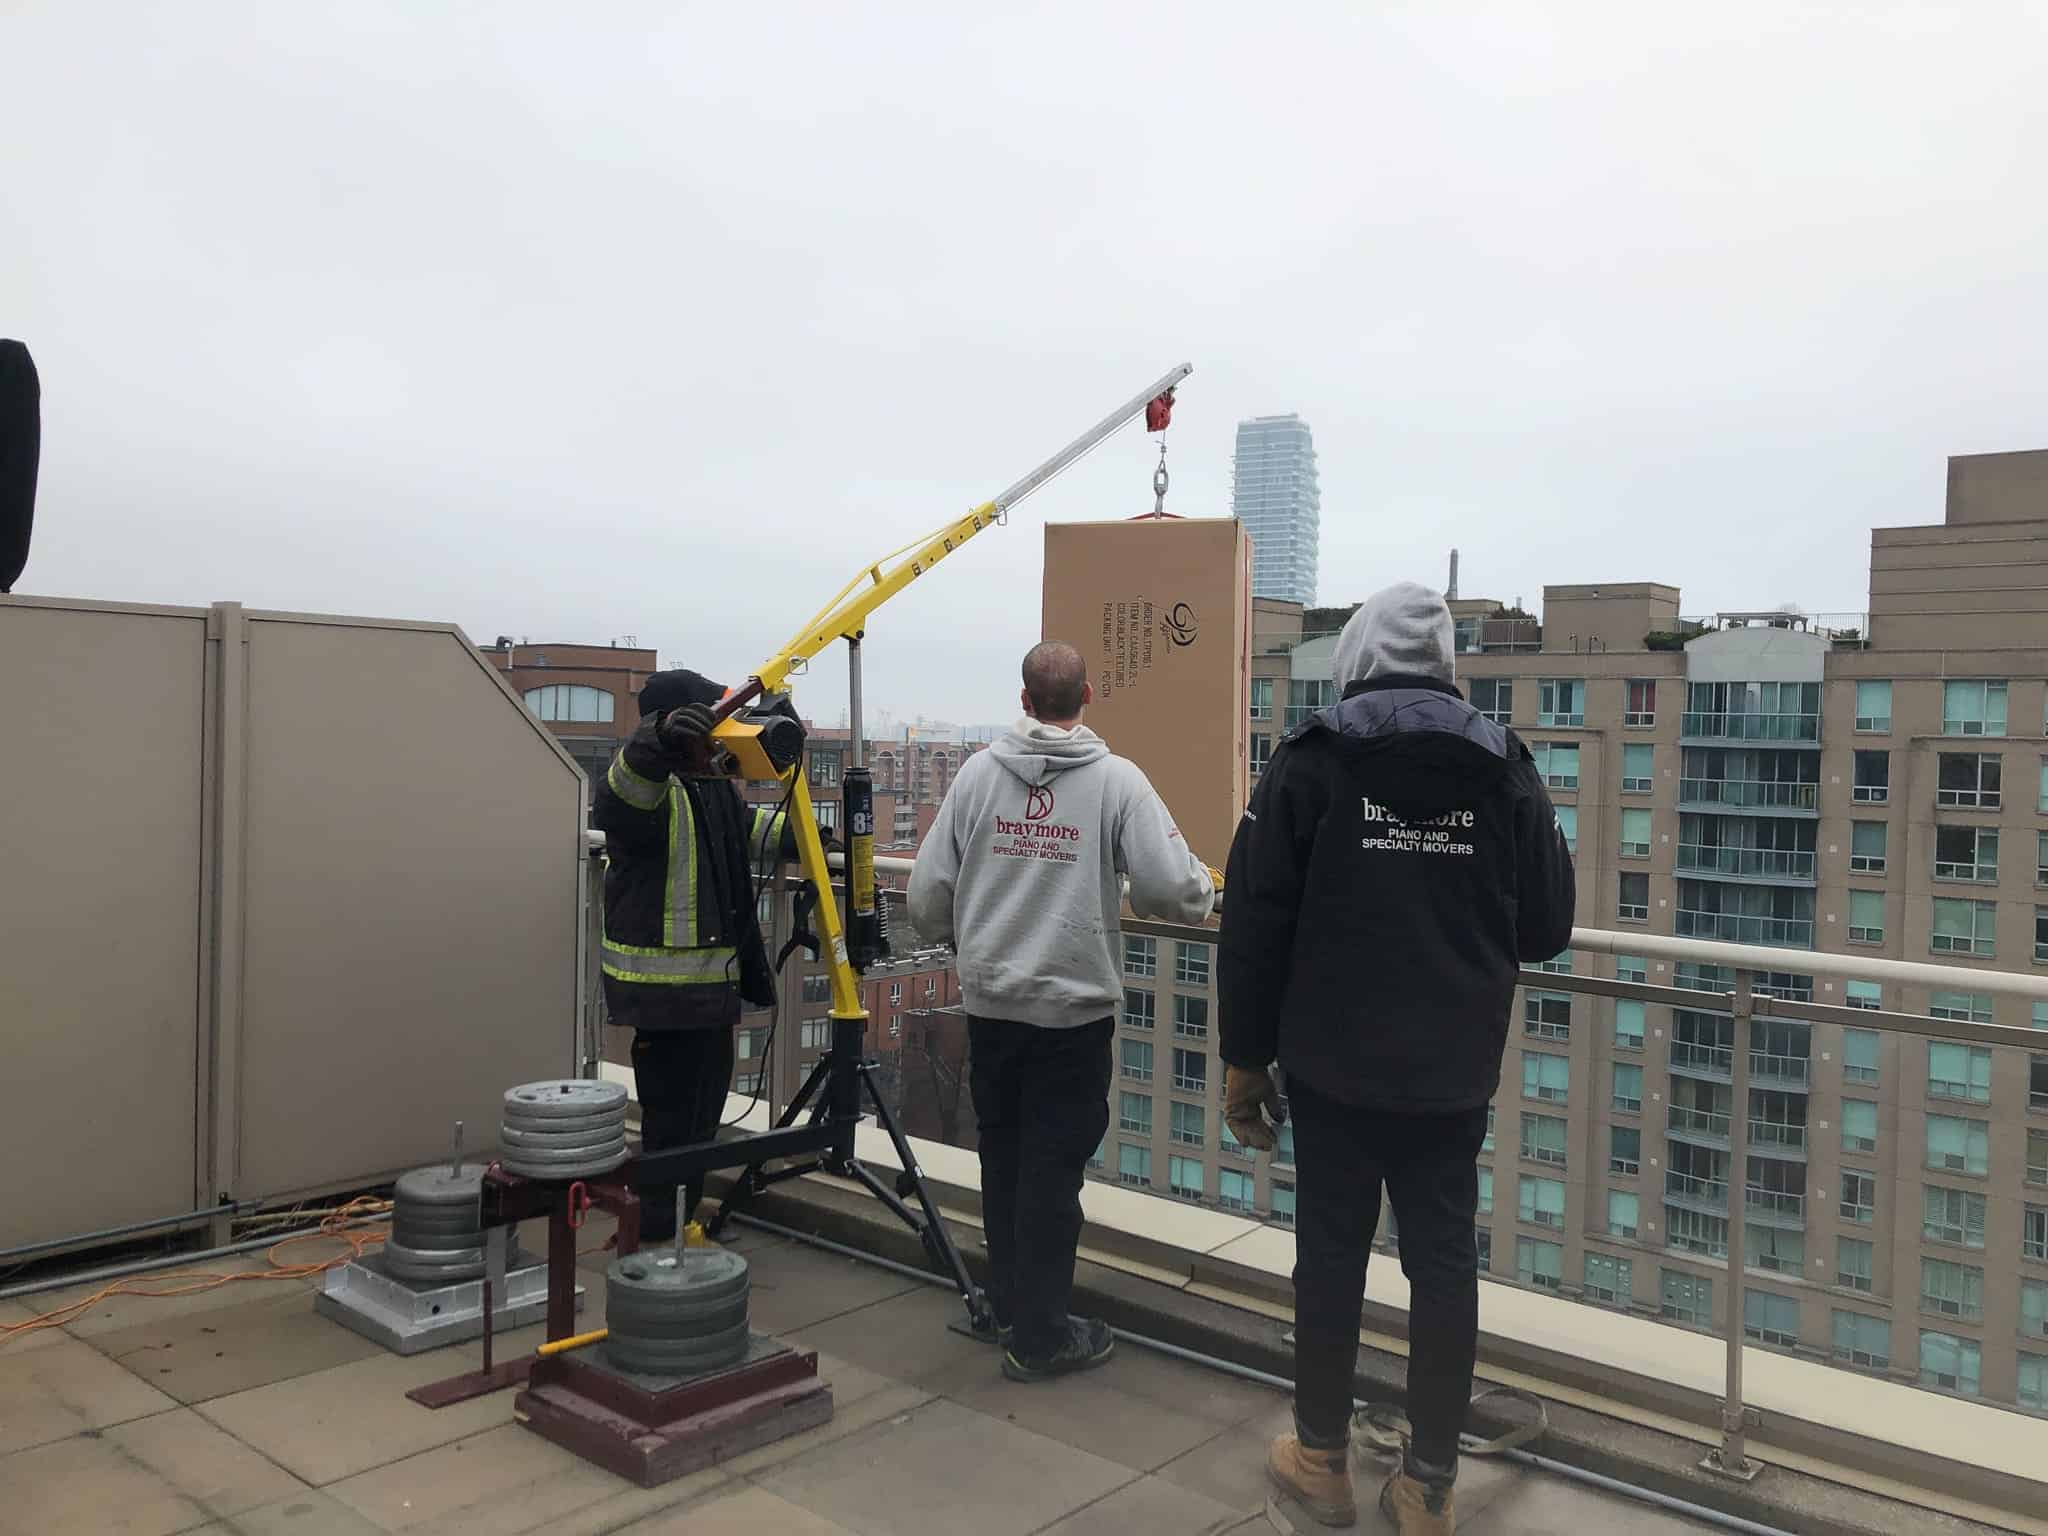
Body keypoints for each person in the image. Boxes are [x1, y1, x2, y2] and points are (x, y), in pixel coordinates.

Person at [1218, 583, 1574, 1534]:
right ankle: (1428, 1488)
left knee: (1328, 1260)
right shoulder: (1504, 766)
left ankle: (1321, 1459)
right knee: (1445, 1268)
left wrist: (1245, 1061)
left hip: (1332, 1068)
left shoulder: (1313, 758)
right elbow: (1547, 924)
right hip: (1450, 1074)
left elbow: (1252, 920)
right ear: (1447, 663)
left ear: (1360, 656)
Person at [909, 640, 1216, 1382]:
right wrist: (1205, 889)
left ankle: (1009, 1304)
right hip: (1071, 1018)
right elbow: (1171, 891)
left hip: (991, 1006)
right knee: (1052, 1172)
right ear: (1086, 698)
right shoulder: (1116, 783)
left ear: (1023, 700)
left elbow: (925, 900)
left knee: (1004, 1157)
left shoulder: (977, 776)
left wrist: (975, 936)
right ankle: (1042, 1337)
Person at [591, 668, 797, 1244]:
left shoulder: (706, 783)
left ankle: (678, 1223)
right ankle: (655, 1236)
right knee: (671, 1121)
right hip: (665, 993)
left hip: (708, 987)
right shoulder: (645, 785)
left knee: (702, 1114)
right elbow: (625, 790)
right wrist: (658, 739)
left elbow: (747, 828)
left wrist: (803, 836)